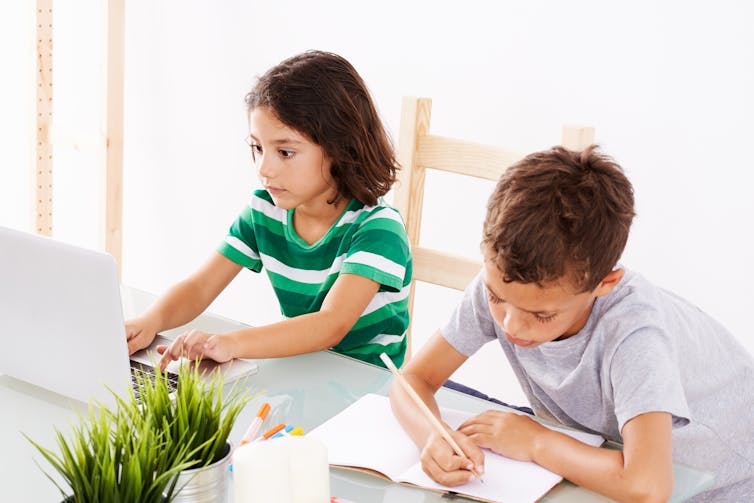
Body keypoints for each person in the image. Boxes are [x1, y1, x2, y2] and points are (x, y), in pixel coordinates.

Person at [388, 145, 754, 501]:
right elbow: (413, 381)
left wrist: (535, 441)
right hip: (610, 460)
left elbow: (648, 486)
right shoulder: (507, 282)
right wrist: (434, 437)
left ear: (604, 284)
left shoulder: (635, 334)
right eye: (497, 299)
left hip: (723, 485)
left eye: (542, 315)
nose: (512, 325)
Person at [126, 50, 411, 369]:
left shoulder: (378, 229)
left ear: (340, 148)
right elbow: (200, 287)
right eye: (257, 148)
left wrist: (231, 343)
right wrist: (150, 321)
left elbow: (331, 325)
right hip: (299, 373)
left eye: (285, 152)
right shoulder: (265, 211)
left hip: (368, 388)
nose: (265, 168)